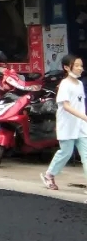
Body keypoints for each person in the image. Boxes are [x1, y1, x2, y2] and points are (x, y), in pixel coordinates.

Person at [41, 54, 87, 190]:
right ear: (67, 67)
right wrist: (84, 116)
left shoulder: (79, 84)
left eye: (81, 65)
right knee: (66, 152)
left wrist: (83, 119)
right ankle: (49, 175)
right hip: (67, 125)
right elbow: (66, 106)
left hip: (81, 126)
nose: (80, 68)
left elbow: (79, 103)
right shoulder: (64, 85)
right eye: (77, 65)